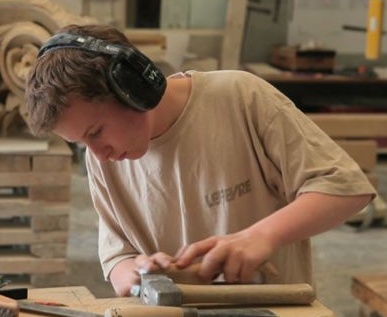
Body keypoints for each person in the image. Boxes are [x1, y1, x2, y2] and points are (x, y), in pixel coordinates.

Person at [25, 24, 376, 297]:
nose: (98, 153)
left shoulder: (240, 99)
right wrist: (139, 273)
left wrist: (261, 237)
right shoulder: (103, 160)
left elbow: (345, 187)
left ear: (132, 87)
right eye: (81, 143)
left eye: (96, 131)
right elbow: (118, 259)